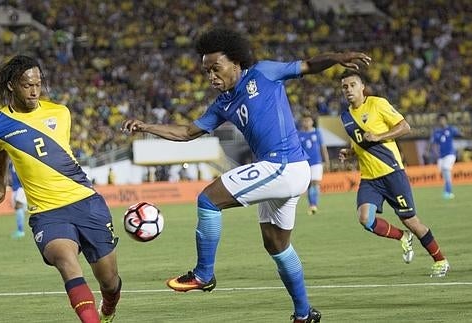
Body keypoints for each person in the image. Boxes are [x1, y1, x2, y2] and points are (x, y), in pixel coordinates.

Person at [121, 27, 371, 323]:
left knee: (208, 199)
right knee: (277, 246)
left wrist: (338, 58)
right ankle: (304, 314)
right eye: (206, 72)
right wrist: (147, 127)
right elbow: (188, 132)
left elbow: (308, 65)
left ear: (236, 61)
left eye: (216, 68)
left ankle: (203, 275)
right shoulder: (223, 103)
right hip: (284, 172)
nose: (211, 76)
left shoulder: (263, 72)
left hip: (284, 165)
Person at [0, 55, 121, 323]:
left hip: (86, 202)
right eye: (27, 85)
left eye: (38, 84)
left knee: (109, 280)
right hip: (47, 213)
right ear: (11, 85)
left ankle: (110, 305)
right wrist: (1, 187)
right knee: (67, 263)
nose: (34, 91)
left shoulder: (60, 113)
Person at [337, 69, 449, 278]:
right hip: (370, 179)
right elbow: (362, 142)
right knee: (365, 219)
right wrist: (350, 152)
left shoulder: (377, 104)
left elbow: (405, 127)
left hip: (392, 174)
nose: (348, 90)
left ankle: (440, 260)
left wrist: (379, 135)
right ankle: (402, 237)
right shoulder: (345, 117)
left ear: (362, 87)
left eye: (352, 85)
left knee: (412, 221)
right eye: (345, 86)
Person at [298, 115, 330, 215]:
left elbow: (323, 147)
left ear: (312, 121)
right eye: (304, 121)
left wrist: (327, 160)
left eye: (308, 120)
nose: (306, 122)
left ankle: (313, 205)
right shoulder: (299, 134)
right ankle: (312, 204)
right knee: (309, 185)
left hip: (316, 162)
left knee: (315, 183)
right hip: (305, 163)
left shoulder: (317, 132)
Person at [427, 113, 460, 199]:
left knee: (446, 169)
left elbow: (460, 134)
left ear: (446, 120)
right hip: (441, 157)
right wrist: (429, 151)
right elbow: (432, 144)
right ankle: (446, 191)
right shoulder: (436, 132)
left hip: (450, 154)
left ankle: (449, 192)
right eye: (440, 120)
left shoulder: (451, 129)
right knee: (444, 174)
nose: (442, 121)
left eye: (443, 119)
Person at [9, 161, 27, 239]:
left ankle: (21, 231)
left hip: (20, 188)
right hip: (15, 189)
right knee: (18, 208)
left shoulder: (20, 162)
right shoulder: (11, 164)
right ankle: (20, 230)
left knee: (19, 207)